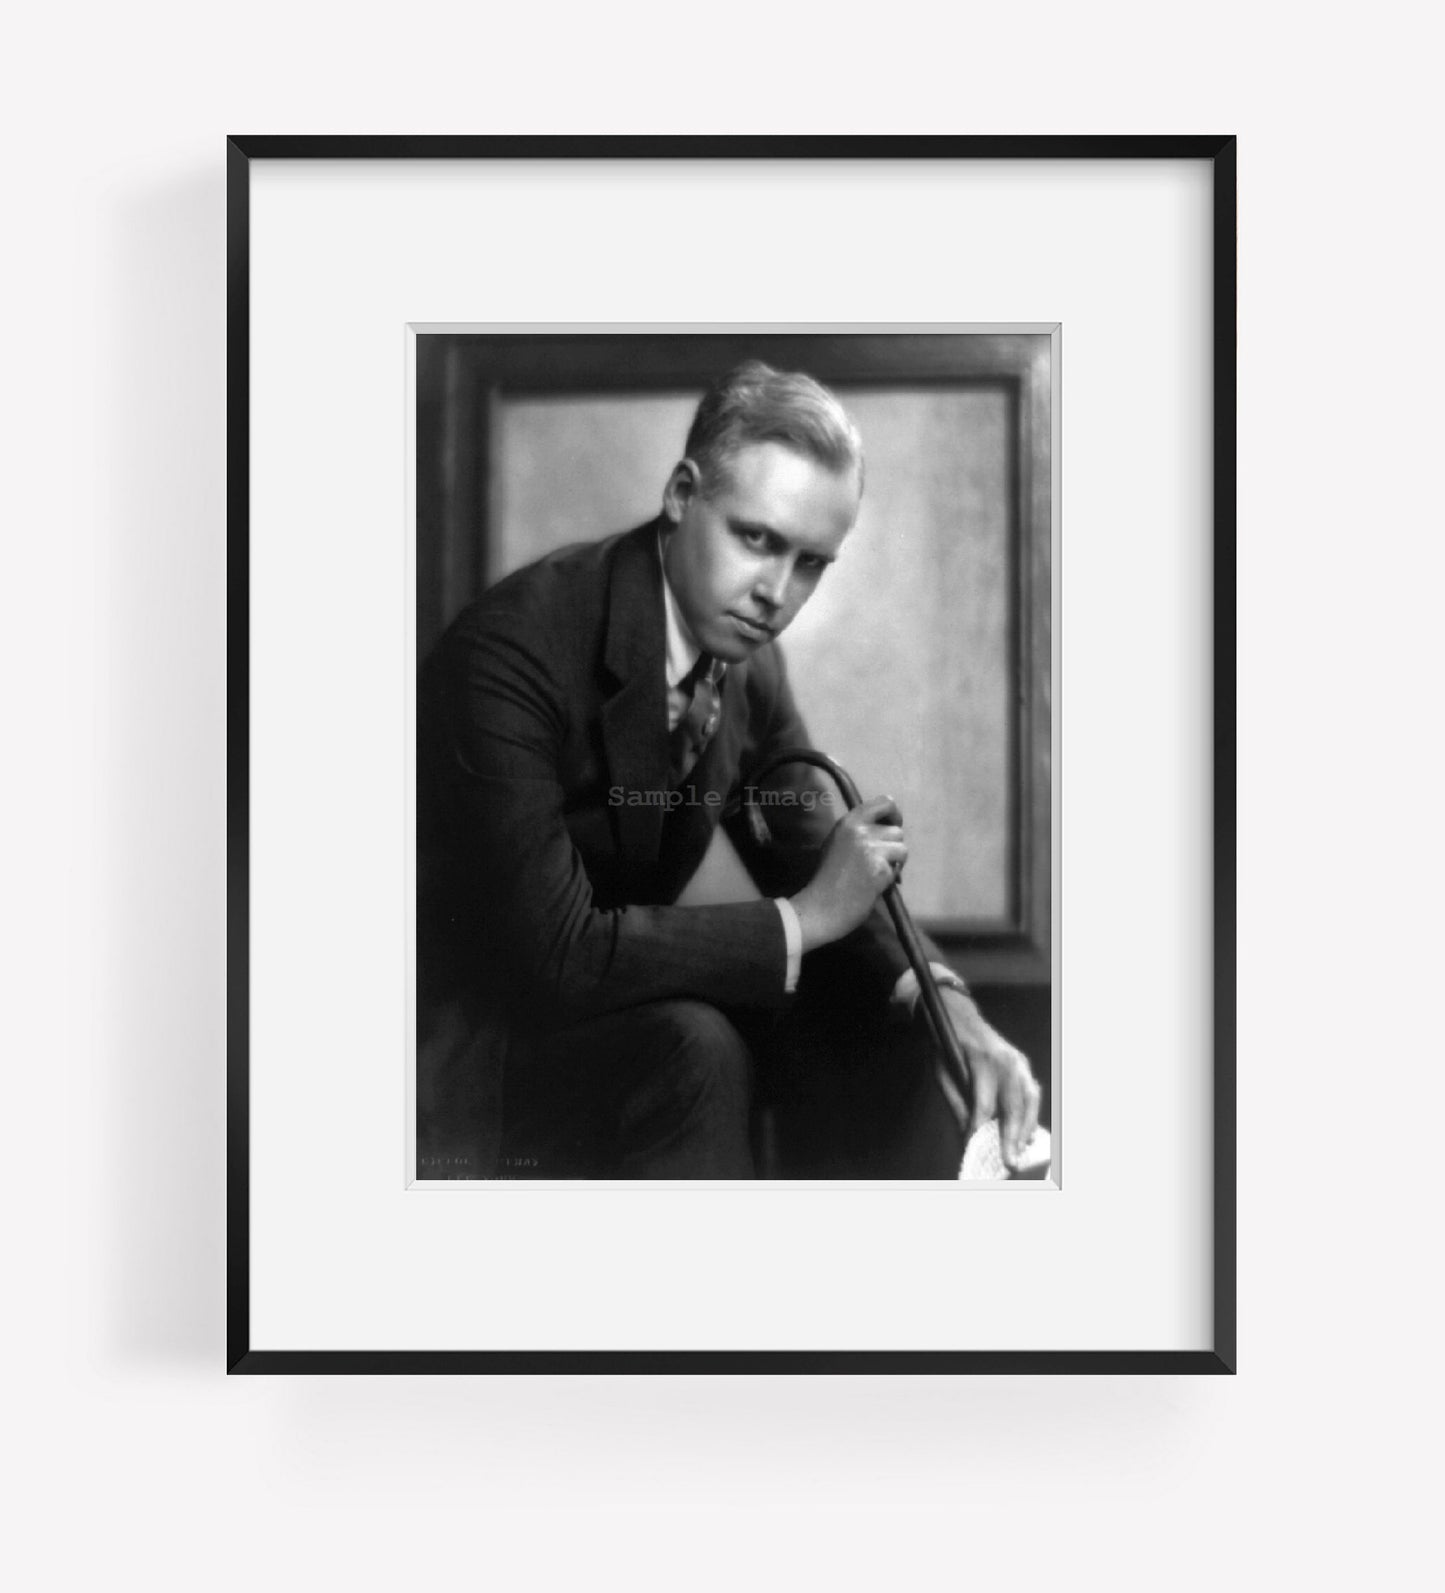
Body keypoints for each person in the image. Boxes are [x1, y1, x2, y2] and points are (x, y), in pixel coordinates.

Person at [416, 361, 1040, 1179]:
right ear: (681, 495)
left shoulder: (746, 660)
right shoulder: (509, 653)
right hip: (471, 1054)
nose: (775, 593)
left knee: (884, 1031)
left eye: (811, 563)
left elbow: (817, 836)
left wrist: (944, 1001)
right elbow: (557, 954)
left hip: (618, 1009)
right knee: (696, 1044)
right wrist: (805, 917)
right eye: (755, 538)